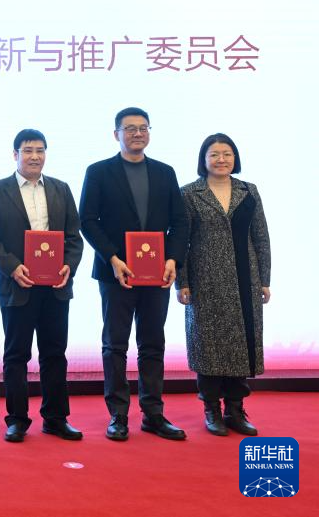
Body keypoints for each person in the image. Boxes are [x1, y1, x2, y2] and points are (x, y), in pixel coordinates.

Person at [79, 107, 189, 441]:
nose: (137, 133)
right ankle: (118, 415)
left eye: (143, 128)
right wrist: (112, 258)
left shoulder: (165, 172)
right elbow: (88, 220)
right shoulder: (99, 171)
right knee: (115, 345)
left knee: (153, 343)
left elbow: (180, 221)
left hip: (157, 273)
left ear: (149, 133)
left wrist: (173, 260)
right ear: (117, 134)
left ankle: (153, 413)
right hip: (116, 273)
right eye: (129, 128)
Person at [0, 130, 84, 443]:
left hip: (55, 286)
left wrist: (69, 266)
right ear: (16, 155)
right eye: (27, 150)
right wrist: (12, 267)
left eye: (40, 150)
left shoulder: (61, 189)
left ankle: (56, 418)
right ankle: (17, 420)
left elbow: (74, 236)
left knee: (55, 353)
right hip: (17, 285)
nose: (34, 156)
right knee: (16, 355)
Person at [177, 133, 271, 436]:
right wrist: (182, 282)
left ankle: (235, 409)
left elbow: (261, 237)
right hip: (204, 280)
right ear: (204, 159)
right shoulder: (189, 193)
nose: (221, 160)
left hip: (246, 278)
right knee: (208, 345)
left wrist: (265, 280)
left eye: (227, 154)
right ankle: (211, 410)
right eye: (214, 154)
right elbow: (181, 242)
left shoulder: (249, 191)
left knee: (242, 343)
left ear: (235, 158)